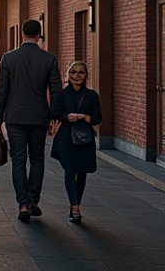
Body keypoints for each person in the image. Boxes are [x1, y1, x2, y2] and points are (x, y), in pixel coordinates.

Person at [0, 19, 63, 222]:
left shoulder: (8, 58)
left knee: (18, 159)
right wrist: (54, 117)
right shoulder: (49, 59)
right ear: (39, 35)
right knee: (37, 158)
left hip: (14, 117)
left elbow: (1, 91)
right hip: (39, 117)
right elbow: (56, 91)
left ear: (22, 34)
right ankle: (33, 200)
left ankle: (22, 204)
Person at [51, 61, 102, 223]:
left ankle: (76, 202)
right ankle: (75, 207)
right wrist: (67, 117)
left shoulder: (92, 96)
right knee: (70, 170)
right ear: (68, 75)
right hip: (66, 137)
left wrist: (84, 117)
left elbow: (97, 117)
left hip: (85, 138)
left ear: (86, 75)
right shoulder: (62, 94)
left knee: (82, 171)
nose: (77, 76)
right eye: (73, 72)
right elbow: (55, 112)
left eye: (81, 72)